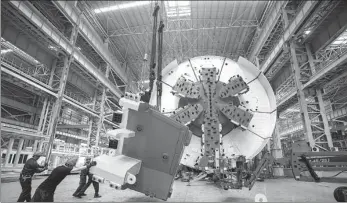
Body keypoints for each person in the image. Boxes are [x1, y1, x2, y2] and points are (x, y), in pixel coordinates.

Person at [31, 157, 97, 202]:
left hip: (41, 188)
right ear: (70, 165)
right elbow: (76, 170)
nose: (72, 167)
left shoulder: (60, 167)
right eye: (72, 166)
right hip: (47, 191)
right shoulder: (65, 169)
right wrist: (89, 165)